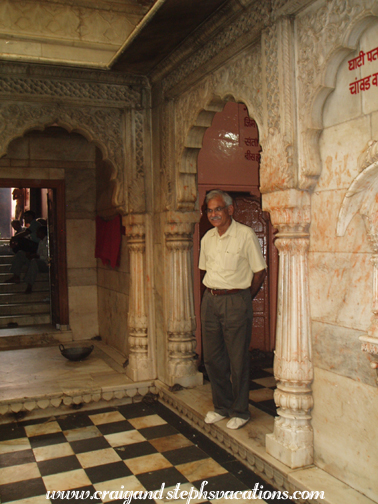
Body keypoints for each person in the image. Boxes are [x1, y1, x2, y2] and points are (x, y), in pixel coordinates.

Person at [199, 189, 267, 430]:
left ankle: (240, 411)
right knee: (213, 359)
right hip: (210, 300)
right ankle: (222, 407)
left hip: (236, 300)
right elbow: (206, 271)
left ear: (230, 210)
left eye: (218, 209)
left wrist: (244, 298)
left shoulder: (245, 235)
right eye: (210, 210)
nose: (214, 214)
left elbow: (260, 272)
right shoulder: (207, 238)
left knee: (237, 359)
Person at [6, 226, 49, 292]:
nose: (36, 233)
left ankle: (29, 285)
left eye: (37, 232)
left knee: (34, 262)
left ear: (42, 233)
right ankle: (16, 275)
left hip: (44, 264)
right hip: (36, 260)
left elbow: (45, 257)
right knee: (21, 253)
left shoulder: (47, 242)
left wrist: (35, 256)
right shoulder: (41, 242)